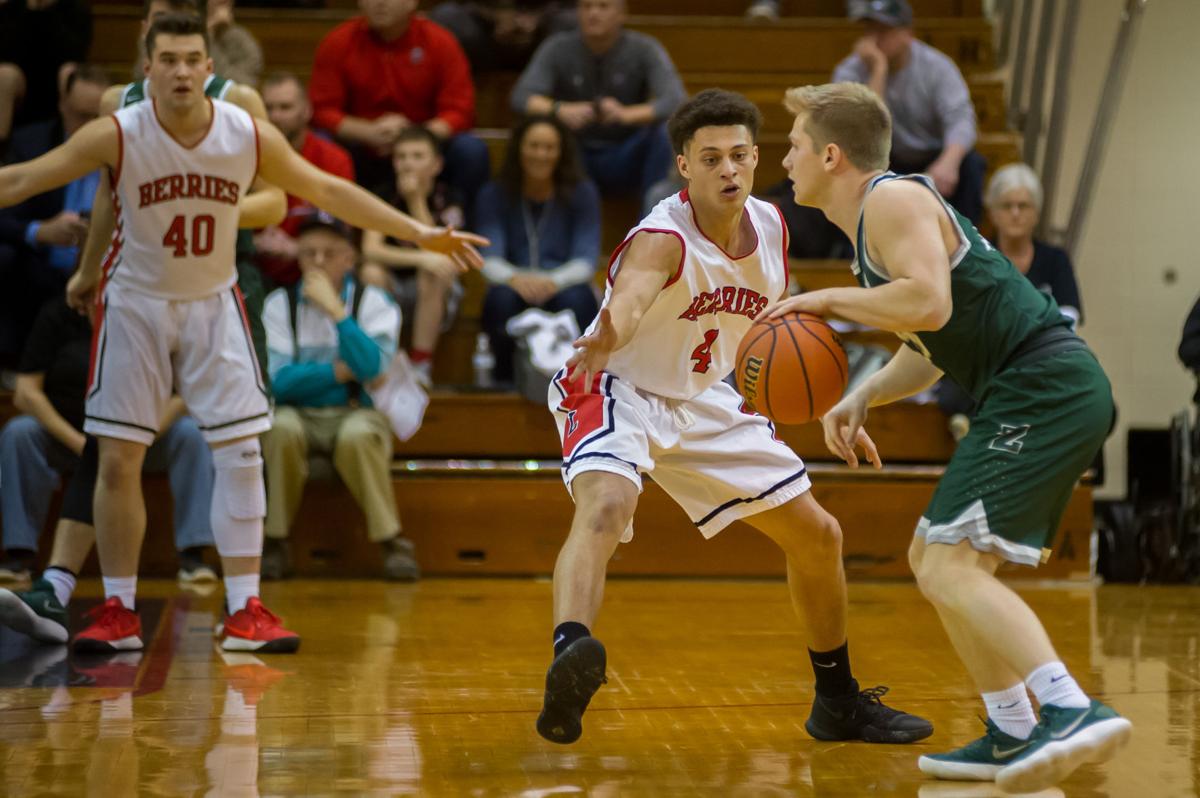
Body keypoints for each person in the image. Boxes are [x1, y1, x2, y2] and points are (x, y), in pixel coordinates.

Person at [0, 13, 486, 654]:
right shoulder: (118, 130)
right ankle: (116, 607)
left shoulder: (244, 133)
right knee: (117, 458)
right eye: (167, 59)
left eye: (191, 59)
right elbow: (27, 177)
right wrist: (90, 269)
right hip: (136, 304)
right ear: (147, 69)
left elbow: (326, 189)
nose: (179, 70)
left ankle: (245, 608)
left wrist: (418, 233)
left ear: (209, 68)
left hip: (213, 301)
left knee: (242, 450)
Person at [536, 88, 931, 746]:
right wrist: (609, 330)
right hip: (616, 383)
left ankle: (837, 700)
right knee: (605, 506)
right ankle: (570, 655)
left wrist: (837, 397)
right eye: (711, 157)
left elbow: (781, 328)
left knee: (819, 536)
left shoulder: (771, 225)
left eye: (739, 156)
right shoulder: (662, 238)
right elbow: (633, 295)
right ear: (683, 166)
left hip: (706, 393)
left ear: (756, 159)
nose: (728, 170)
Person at [770, 82, 1130, 792]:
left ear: (831, 155)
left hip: (1044, 385)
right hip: (1028, 388)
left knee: (949, 565)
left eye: (793, 145)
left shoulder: (893, 200)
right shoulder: (876, 227)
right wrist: (865, 394)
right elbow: (932, 336)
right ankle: (1012, 728)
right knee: (932, 554)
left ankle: (1069, 707)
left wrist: (822, 299)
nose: (784, 160)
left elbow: (928, 302)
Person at [0, 293, 215, 589]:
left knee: (191, 434)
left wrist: (139, 437)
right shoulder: (56, 316)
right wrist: (80, 443)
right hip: (69, 437)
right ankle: (19, 556)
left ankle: (194, 556)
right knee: (19, 433)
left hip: (143, 437)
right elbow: (26, 393)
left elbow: (185, 393)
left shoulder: (153, 314)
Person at [262, 215, 418, 581]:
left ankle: (391, 541)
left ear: (349, 259)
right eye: (309, 253)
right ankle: (274, 541)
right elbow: (278, 384)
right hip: (296, 414)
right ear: (297, 258)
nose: (317, 262)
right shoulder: (277, 305)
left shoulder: (374, 302)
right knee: (279, 427)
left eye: (328, 253)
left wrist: (336, 312)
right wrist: (338, 372)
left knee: (358, 436)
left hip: (356, 411)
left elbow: (372, 368)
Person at [936, 162, 1084, 438]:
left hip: (1042, 356)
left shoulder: (1056, 260)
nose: (1015, 213)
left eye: (1023, 206)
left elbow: (1069, 317)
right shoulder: (975, 256)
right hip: (986, 357)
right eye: (1007, 206)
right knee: (955, 393)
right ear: (992, 211)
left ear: (1036, 212)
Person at [308, 0, 490, 206]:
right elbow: (322, 110)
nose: (380, 3)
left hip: (424, 143)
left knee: (471, 150)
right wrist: (367, 132)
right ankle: (329, 228)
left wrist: (413, 136)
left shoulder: (440, 41)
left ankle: (464, 225)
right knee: (322, 142)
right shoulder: (338, 41)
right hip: (363, 145)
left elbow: (460, 110)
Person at [510, 0, 686, 207]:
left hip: (627, 152)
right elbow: (521, 97)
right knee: (541, 132)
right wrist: (560, 109)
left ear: (622, 14)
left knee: (664, 132)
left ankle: (653, 221)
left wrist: (626, 114)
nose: (593, 13)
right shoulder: (557, 47)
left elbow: (676, 99)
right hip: (574, 151)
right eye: (586, 6)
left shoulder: (645, 48)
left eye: (603, 6)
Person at [832, 0, 986, 224]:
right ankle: (862, 250)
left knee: (970, 164)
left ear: (908, 34)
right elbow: (863, 135)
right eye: (870, 30)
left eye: (884, 30)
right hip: (885, 159)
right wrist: (878, 71)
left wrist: (948, 162)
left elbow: (960, 119)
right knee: (852, 166)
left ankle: (968, 248)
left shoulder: (936, 67)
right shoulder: (850, 70)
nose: (875, 39)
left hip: (933, 155)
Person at [476, 114, 600, 384]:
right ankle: (503, 381)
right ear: (519, 148)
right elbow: (488, 258)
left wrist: (552, 281)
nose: (540, 154)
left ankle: (578, 382)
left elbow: (585, 260)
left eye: (548, 147)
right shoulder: (494, 194)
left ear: (560, 152)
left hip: (562, 285)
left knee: (580, 299)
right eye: (533, 145)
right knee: (500, 300)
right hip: (514, 283)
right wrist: (515, 279)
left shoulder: (582, 192)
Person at [0, 64, 108, 364]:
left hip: (108, 268)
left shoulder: (125, 149)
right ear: (62, 106)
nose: (87, 126)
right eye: (80, 115)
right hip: (43, 267)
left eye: (96, 118)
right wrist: (40, 231)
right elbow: (10, 194)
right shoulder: (31, 144)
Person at [360, 126, 463, 384]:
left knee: (434, 269)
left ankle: (420, 364)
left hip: (436, 290)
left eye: (418, 156)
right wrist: (420, 258)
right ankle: (382, 361)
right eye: (402, 157)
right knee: (370, 271)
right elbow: (370, 249)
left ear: (436, 164)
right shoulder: (383, 195)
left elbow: (443, 252)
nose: (408, 164)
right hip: (392, 283)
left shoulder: (449, 198)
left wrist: (416, 200)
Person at [256, 71, 356, 291]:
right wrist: (254, 243)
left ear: (306, 111)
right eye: (269, 108)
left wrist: (298, 249)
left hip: (315, 266)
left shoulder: (334, 159)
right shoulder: (247, 156)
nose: (276, 116)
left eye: (285, 107)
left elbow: (341, 232)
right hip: (258, 267)